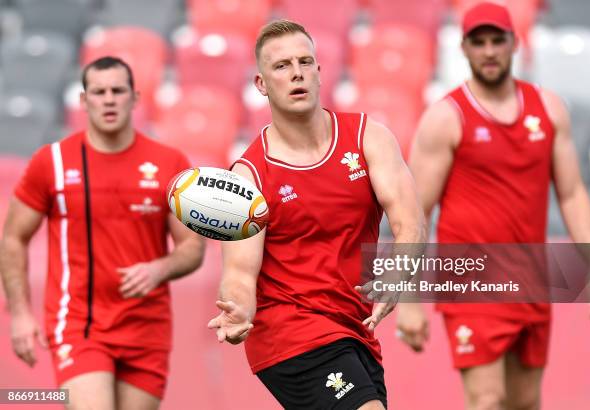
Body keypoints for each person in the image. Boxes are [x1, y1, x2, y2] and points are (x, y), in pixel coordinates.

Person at [397, 2, 590, 410]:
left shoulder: (548, 109)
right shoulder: (446, 117)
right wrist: (407, 300)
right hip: (470, 281)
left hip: (529, 279)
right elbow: (413, 213)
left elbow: (571, 193)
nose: (490, 51)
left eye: (498, 41)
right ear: (464, 48)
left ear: (516, 44)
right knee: (487, 399)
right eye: (480, 42)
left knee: (525, 402)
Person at [206, 20, 425, 410]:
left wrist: (399, 270)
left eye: (305, 62)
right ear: (261, 84)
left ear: (320, 72)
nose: (296, 73)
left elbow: (410, 220)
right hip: (290, 333)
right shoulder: (249, 176)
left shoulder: (368, 137)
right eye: (281, 66)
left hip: (353, 329)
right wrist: (237, 310)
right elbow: (239, 273)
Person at [0, 56, 205, 410]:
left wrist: (159, 269)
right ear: (83, 101)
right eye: (98, 91)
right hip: (79, 324)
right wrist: (19, 313)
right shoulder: (54, 163)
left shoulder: (169, 163)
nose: (108, 99)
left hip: (147, 328)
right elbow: (13, 237)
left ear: (135, 98)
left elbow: (192, 247)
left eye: (117, 90)